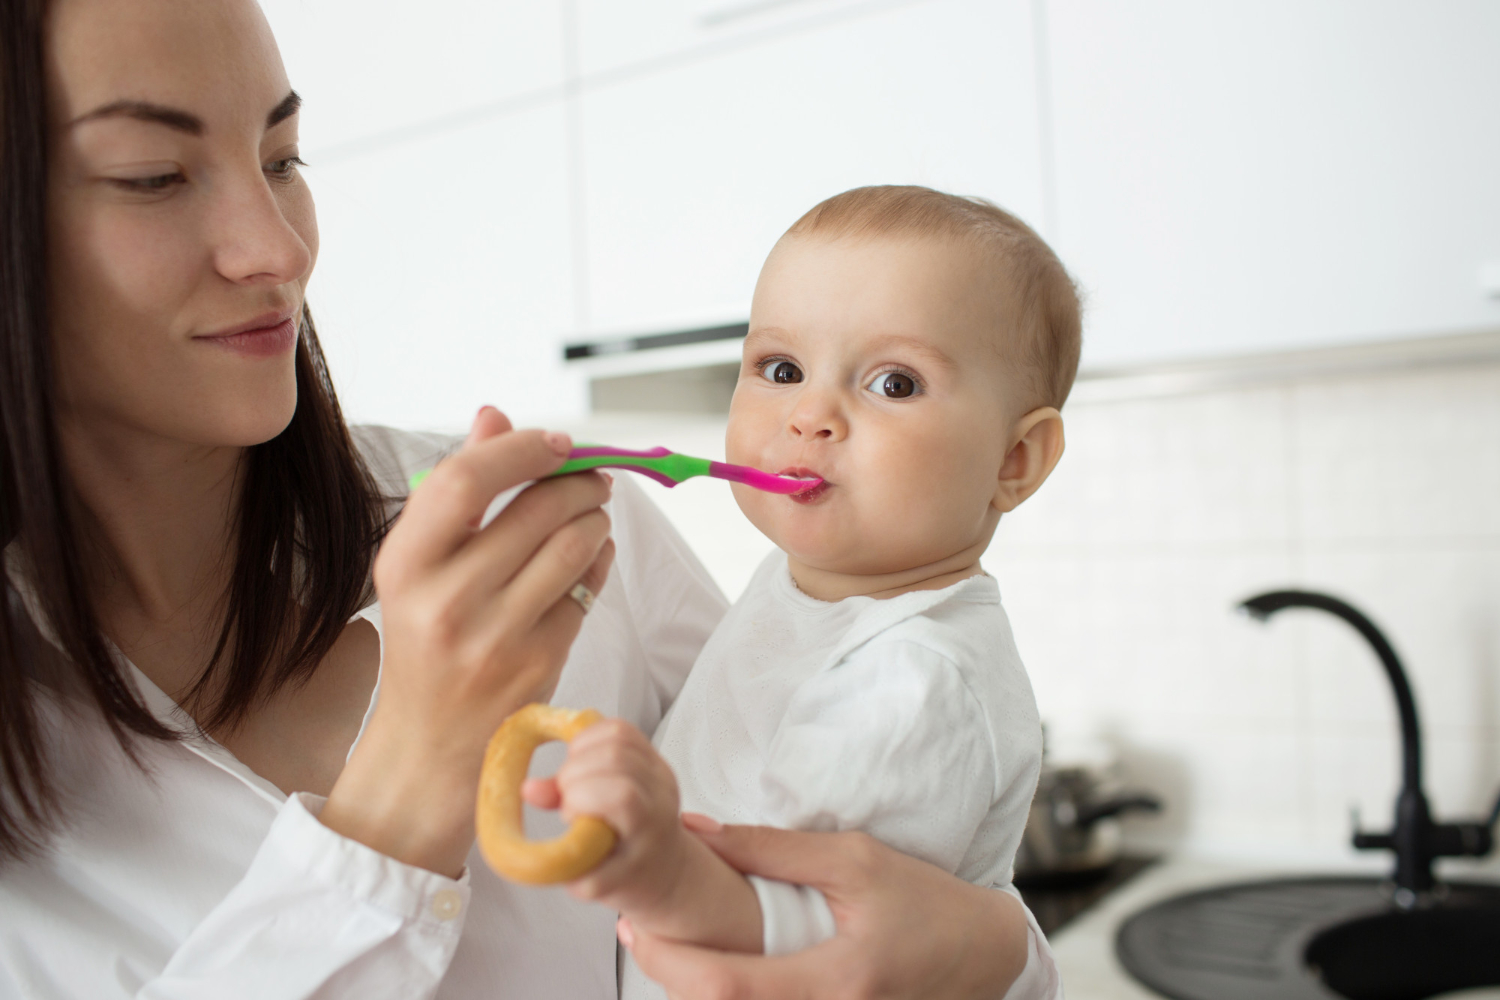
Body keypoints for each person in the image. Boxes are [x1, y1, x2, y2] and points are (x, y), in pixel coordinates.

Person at [0, 0, 1054, 996]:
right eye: (152, 175)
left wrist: (999, 954)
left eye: (283, 158)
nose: (279, 249)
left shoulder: (570, 536)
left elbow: (841, 884)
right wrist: (411, 774)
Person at [526, 187, 1075, 1000]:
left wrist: (648, 858)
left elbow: (809, 920)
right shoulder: (806, 590)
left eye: (894, 384)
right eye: (781, 369)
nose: (811, 413)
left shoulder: (912, 676)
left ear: (1013, 462)